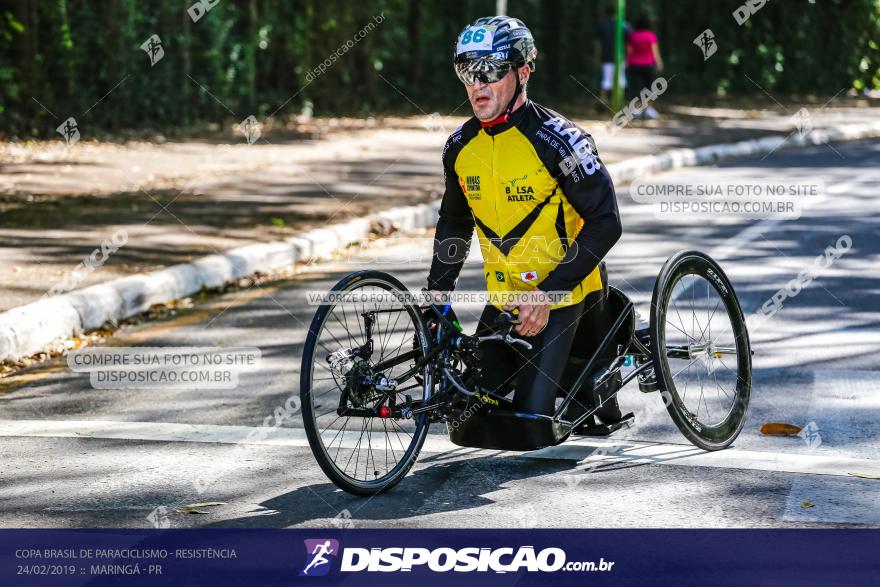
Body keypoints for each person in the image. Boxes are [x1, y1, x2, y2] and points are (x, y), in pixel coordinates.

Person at [426, 15, 632, 434]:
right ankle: (566, 382)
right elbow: (454, 220)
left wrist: (548, 291)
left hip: (564, 294)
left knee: (528, 426)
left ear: (522, 72)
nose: (476, 85)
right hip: (505, 301)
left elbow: (606, 222)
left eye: (490, 71)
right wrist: (437, 293)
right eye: (467, 72)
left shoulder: (559, 140)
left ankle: (592, 384)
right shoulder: (460, 147)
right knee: (467, 415)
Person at [626, 15, 664, 119]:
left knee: (636, 87)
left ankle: (636, 110)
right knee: (650, 88)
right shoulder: (651, 35)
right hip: (648, 65)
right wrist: (659, 63)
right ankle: (649, 110)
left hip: (635, 65)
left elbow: (629, 51)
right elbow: (654, 51)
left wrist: (627, 62)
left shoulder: (633, 36)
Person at [595, 5, 630, 103]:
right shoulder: (623, 24)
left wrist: (598, 56)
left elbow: (598, 44)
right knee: (621, 81)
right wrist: (628, 57)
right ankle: (619, 102)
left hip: (606, 57)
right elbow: (628, 43)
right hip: (620, 58)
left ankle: (603, 100)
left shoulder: (602, 24)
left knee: (606, 81)